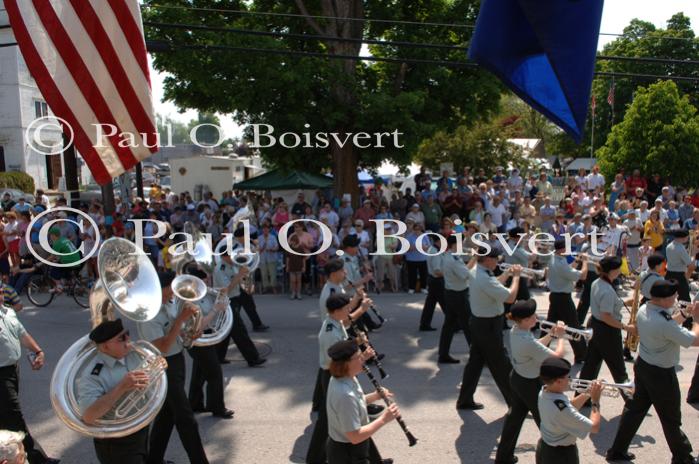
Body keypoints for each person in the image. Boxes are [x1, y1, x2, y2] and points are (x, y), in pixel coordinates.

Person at [606, 280, 699, 463]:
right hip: (661, 375)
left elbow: (668, 325)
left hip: (644, 366)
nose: (676, 298)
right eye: (674, 296)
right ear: (664, 300)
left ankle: (616, 451)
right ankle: (682, 457)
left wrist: (683, 314)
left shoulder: (645, 309)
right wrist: (696, 320)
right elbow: (694, 340)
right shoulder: (663, 322)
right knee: (670, 418)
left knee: (634, 410)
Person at [135, 272, 208, 464]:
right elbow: (163, 346)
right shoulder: (147, 314)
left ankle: (154, 459)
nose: (173, 296)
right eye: (169, 293)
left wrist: (190, 331)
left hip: (177, 361)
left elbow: (175, 334)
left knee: (167, 415)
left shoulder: (169, 302)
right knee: (185, 418)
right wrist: (181, 320)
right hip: (162, 366)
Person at [495, 300, 566, 464]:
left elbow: (537, 347)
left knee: (514, 419)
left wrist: (551, 335)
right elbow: (557, 357)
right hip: (529, 384)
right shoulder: (527, 340)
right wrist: (561, 338)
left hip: (518, 379)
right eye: (533, 315)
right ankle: (554, 459)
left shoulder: (517, 330)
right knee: (547, 422)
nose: (536, 317)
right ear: (525, 320)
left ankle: (503, 458)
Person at [78, 319, 157, 463]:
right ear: (105, 346)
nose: (128, 339)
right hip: (116, 442)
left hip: (141, 429)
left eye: (127, 334)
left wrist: (158, 367)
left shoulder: (134, 355)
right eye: (121, 338)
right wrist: (121, 387)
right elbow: (88, 416)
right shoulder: (92, 375)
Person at [306, 294, 372, 464]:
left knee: (351, 418)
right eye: (346, 308)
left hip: (334, 372)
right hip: (333, 373)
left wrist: (357, 341)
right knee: (330, 422)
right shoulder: (330, 332)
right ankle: (313, 458)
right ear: (336, 311)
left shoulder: (336, 323)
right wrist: (359, 352)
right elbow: (338, 358)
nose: (349, 310)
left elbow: (345, 329)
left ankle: (375, 459)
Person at [456, 247, 520, 410]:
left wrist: (507, 274)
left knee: (475, 362)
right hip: (489, 325)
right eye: (496, 258)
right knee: (502, 365)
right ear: (488, 259)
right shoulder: (484, 277)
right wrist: (517, 278)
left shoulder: (478, 270)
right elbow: (510, 297)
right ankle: (515, 403)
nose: (498, 261)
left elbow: (493, 285)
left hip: (479, 322)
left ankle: (464, 399)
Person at [0, 296, 57, 464]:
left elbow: (21, 333)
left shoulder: (8, 312)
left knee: (5, 416)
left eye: (1, 289)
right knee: (13, 417)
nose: (2, 293)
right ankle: (35, 458)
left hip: (12, 370)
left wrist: (38, 351)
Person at [325, 340, 398, 464]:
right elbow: (355, 436)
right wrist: (384, 419)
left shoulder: (347, 377)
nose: (363, 359)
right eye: (359, 357)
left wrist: (375, 396)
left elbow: (356, 403)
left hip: (352, 448)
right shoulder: (344, 395)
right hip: (348, 453)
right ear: (346, 363)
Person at [577, 257, 635, 401]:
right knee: (618, 368)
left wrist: (626, 302)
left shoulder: (597, 282)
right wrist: (626, 327)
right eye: (619, 269)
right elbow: (606, 316)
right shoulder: (607, 289)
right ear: (613, 271)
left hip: (596, 327)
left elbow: (603, 306)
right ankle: (631, 400)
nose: (620, 271)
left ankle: (580, 399)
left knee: (590, 366)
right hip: (607, 331)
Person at [185, 268, 234, 420]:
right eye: (205, 281)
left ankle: (195, 403)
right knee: (215, 373)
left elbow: (219, 307)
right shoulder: (189, 299)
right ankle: (217, 407)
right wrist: (215, 309)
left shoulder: (205, 293)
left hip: (206, 337)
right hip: (197, 338)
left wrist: (222, 298)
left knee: (199, 371)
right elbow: (198, 326)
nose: (208, 283)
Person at [536, 357, 602, 464]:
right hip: (561, 456)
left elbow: (569, 406)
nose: (570, 380)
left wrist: (587, 393)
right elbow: (594, 427)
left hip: (546, 449)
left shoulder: (545, 391)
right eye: (568, 377)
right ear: (558, 381)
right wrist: (595, 401)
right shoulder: (560, 409)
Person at [214, 245, 267, 367]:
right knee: (240, 331)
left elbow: (240, 281)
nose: (232, 257)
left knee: (226, 330)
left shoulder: (233, 265)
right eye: (229, 255)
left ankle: (218, 357)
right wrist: (239, 275)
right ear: (223, 256)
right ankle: (253, 358)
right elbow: (226, 290)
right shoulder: (219, 269)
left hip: (236, 299)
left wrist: (246, 280)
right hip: (226, 302)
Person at [547, 240, 588, 363]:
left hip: (555, 296)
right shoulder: (560, 263)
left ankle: (542, 349)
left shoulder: (554, 258)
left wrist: (576, 261)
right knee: (573, 326)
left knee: (549, 326)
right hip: (563, 298)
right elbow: (582, 276)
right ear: (562, 249)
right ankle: (582, 355)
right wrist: (585, 261)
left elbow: (568, 271)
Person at [438, 235, 476, 364]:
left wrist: (473, 258)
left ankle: (443, 354)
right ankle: (477, 356)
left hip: (450, 293)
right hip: (459, 295)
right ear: (454, 245)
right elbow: (465, 275)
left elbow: (464, 271)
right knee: (468, 326)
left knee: (449, 326)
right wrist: (475, 258)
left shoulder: (448, 256)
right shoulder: (453, 259)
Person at [665, 230, 694, 324]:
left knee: (667, 297)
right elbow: (690, 265)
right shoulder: (680, 248)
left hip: (669, 274)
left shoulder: (669, 245)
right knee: (685, 300)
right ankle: (687, 322)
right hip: (679, 275)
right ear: (683, 237)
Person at [419, 235, 446, 332]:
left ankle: (424, 324)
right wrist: (449, 274)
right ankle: (454, 324)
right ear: (439, 241)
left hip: (432, 280)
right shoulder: (436, 252)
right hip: (437, 280)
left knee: (430, 304)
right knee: (445, 303)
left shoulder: (432, 249)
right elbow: (437, 271)